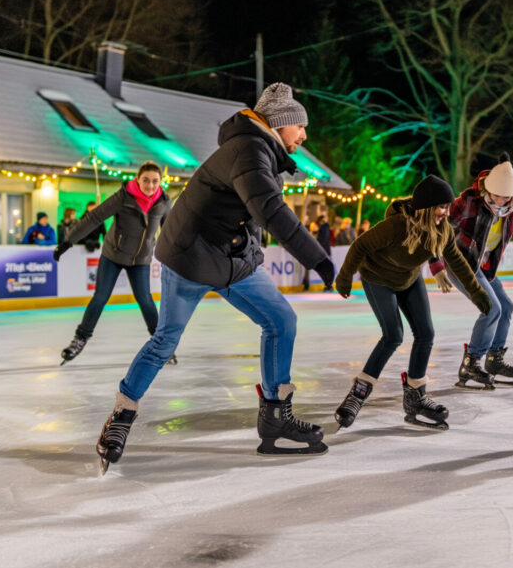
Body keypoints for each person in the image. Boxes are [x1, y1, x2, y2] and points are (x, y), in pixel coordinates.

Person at [94, 82, 336, 472]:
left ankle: (276, 416)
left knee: (281, 320)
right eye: (300, 126)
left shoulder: (262, 151)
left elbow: (252, 217)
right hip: (189, 257)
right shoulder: (249, 151)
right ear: (279, 123)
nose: (304, 135)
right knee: (165, 339)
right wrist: (319, 260)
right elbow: (271, 212)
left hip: (230, 257)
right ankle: (121, 415)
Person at [334, 175, 491, 431]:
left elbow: (456, 260)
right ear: (426, 207)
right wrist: (344, 277)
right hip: (378, 278)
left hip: (409, 279)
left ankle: (416, 397)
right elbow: (360, 245)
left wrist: (476, 292)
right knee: (393, 336)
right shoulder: (397, 225)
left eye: (448, 207)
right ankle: (358, 394)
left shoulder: (443, 229)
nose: (446, 213)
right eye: (441, 207)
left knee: (426, 333)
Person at [429, 153, 513, 390]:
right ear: (487, 189)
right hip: (460, 263)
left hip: (484, 267)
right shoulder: (469, 201)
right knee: (491, 308)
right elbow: (437, 231)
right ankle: (471, 362)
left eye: (507, 197)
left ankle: (494, 358)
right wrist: (436, 266)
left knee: (506, 307)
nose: (501, 201)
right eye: (496, 195)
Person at [52, 162, 171, 365]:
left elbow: (169, 231)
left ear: (160, 182)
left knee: (146, 300)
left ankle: (161, 345)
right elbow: (95, 217)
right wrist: (68, 241)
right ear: (138, 179)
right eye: (145, 180)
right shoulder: (123, 197)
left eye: (154, 181)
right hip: (113, 256)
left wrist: (175, 257)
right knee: (100, 297)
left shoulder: (164, 202)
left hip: (140, 259)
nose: (150, 185)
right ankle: (80, 339)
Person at [316, 214, 334, 291]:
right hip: (325, 251)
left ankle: (329, 284)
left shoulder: (324, 227)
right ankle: (328, 284)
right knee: (326, 268)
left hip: (323, 251)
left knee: (325, 268)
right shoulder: (324, 227)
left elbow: (323, 240)